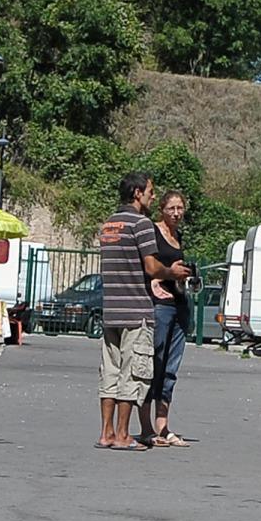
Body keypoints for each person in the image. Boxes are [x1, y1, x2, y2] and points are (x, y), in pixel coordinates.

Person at [94, 171, 170, 449]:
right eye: (150, 190)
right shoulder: (141, 224)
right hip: (136, 311)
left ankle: (106, 433)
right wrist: (171, 273)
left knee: (109, 372)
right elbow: (151, 267)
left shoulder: (109, 225)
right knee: (132, 373)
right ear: (137, 193)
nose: (153, 194)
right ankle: (124, 435)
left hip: (110, 311)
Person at [146, 191, 198, 447]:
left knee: (170, 368)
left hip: (179, 303)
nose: (177, 213)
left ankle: (163, 426)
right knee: (154, 361)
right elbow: (148, 266)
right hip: (160, 306)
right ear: (162, 210)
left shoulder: (178, 236)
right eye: (172, 208)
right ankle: (147, 427)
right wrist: (157, 279)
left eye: (180, 208)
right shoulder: (153, 232)